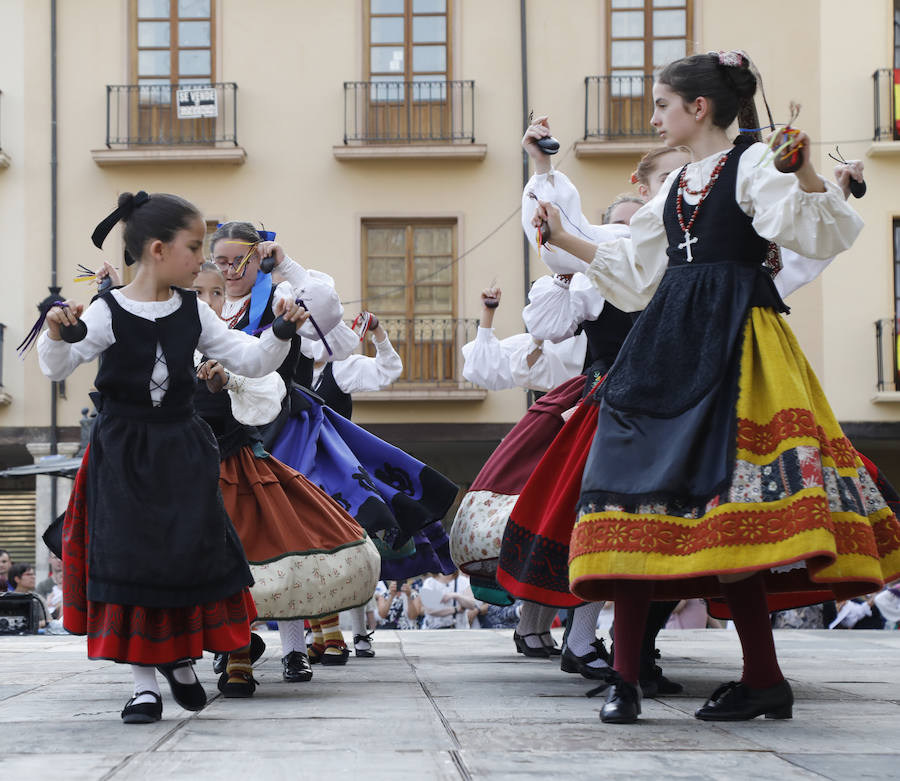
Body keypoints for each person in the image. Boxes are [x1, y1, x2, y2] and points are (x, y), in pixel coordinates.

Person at [537, 51, 899, 724]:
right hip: (668, 344)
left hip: (737, 344)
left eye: (662, 104)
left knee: (730, 511)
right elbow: (637, 266)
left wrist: (806, 169)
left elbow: (814, 225)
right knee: (633, 493)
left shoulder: (754, 163)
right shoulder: (677, 186)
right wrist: (564, 236)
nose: (654, 117)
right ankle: (627, 677)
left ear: (697, 109)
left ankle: (759, 677)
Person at [36, 191, 308, 724]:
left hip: (182, 449)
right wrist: (54, 334)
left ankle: (179, 659)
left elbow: (251, 358)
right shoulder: (108, 309)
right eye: (195, 248)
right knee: (131, 560)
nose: (203, 261)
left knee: (187, 553)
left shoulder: (192, 310)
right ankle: (144, 685)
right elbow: (59, 365)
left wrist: (280, 330)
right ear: (158, 250)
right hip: (124, 451)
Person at [191, 263, 380, 688]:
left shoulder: (239, 345)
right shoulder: (172, 348)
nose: (205, 302)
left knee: (273, 557)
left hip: (238, 466)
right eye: (196, 293)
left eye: (215, 293)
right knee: (207, 566)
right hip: (189, 470)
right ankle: (230, 648)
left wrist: (227, 383)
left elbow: (268, 392)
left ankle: (291, 652)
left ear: (228, 299)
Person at [8, 563, 49, 629]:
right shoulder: (6, 599)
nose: (33, 577)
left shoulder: (37, 598)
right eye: (29, 574)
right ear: (17, 579)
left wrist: (33, 624)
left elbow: (49, 621)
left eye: (33, 574)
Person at [35, 552, 64, 621]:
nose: (59, 560)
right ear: (49, 560)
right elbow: (39, 610)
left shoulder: (74, 584)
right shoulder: (43, 586)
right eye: (55, 557)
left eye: (61, 557)